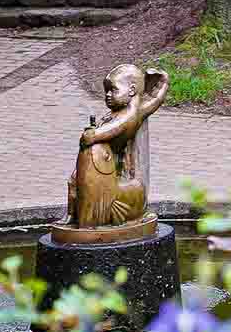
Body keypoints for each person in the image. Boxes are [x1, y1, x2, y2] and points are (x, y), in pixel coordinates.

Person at [66, 64, 169, 228]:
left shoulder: (128, 116)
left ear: (131, 90)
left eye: (113, 90)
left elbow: (100, 134)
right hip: (104, 161)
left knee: (80, 183)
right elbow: (156, 100)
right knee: (73, 181)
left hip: (109, 163)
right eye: (106, 90)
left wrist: (93, 134)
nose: (107, 95)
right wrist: (164, 82)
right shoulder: (134, 110)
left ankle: (88, 219)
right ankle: (72, 215)